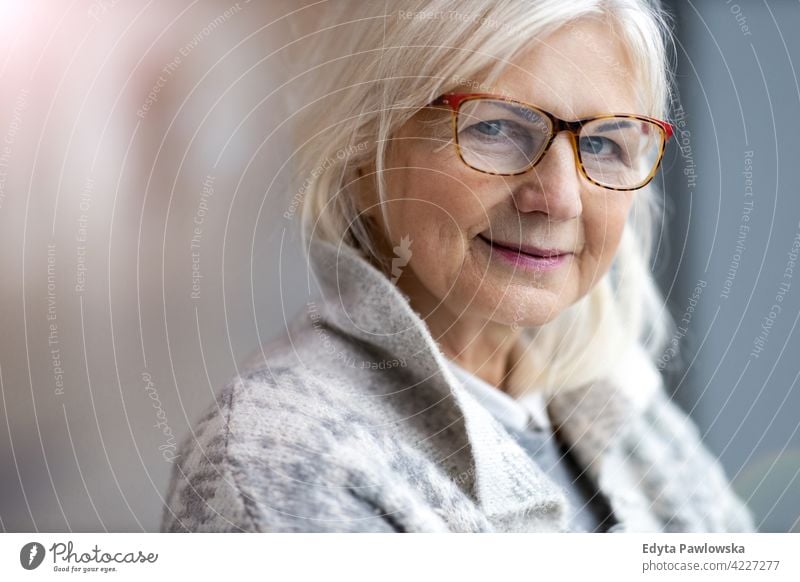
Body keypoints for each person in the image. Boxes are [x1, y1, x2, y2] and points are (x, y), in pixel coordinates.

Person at [161, 0, 755, 533]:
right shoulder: (289, 457)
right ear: (365, 151)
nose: (560, 198)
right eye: (494, 127)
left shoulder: (619, 405)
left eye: (602, 144)